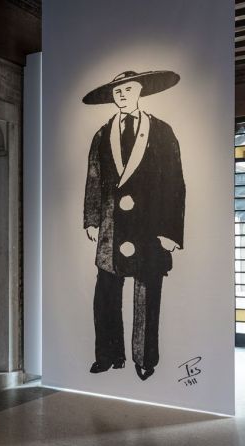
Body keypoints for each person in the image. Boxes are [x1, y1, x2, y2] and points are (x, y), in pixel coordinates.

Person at [82, 70, 185, 381]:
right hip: (112, 226)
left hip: (149, 227)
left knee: (147, 293)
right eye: (117, 91)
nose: (122, 95)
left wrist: (170, 231)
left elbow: (174, 183)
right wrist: (91, 218)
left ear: (140, 91)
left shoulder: (162, 132)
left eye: (128, 89)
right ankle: (109, 354)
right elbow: (94, 178)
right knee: (106, 294)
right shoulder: (102, 134)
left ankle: (145, 358)